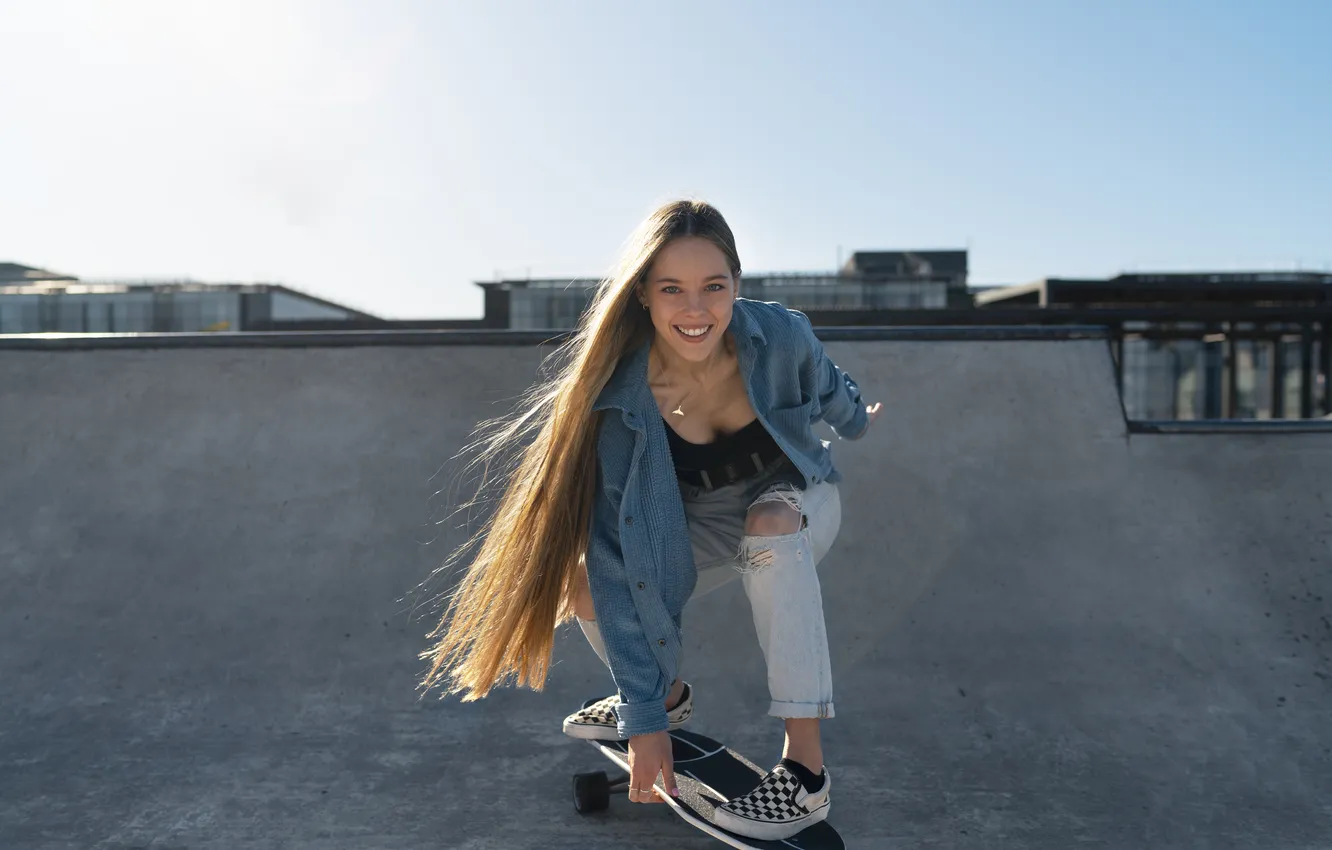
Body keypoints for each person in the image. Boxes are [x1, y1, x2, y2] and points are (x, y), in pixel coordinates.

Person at [421, 199, 880, 841]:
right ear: (642, 293)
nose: (696, 310)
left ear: (736, 286)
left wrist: (856, 417)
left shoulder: (780, 333)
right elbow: (614, 546)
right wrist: (646, 718)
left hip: (794, 499)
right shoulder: (622, 393)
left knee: (771, 523)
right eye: (672, 290)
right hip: (693, 519)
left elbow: (829, 384)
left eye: (713, 287)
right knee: (583, 583)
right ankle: (666, 696)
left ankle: (804, 771)